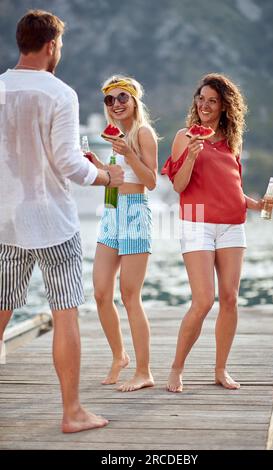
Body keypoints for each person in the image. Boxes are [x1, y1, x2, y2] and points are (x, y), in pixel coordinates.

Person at [0, 10, 124, 432]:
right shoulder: (59, 93)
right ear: (51, 45)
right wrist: (107, 175)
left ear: (22, 42)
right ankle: (72, 412)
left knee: (0, 309)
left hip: (6, 221)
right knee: (65, 314)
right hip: (52, 221)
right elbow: (70, 164)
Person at [161, 73, 273, 392]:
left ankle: (221, 369)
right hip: (196, 222)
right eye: (201, 98)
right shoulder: (185, 136)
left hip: (232, 225)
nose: (205, 105)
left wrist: (260, 204)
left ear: (224, 106)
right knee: (203, 300)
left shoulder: (231, 142)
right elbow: (179, 185)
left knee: (230, 298)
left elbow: (233, 190)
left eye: (212, 100)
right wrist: (192, 155)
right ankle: (176, 368)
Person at [90, 75, 158, 392]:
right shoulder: (116, 135)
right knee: (101, 292)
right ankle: (120, 356)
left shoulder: (143, 133)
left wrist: (129, 153)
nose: (116, 104)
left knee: (130, 296)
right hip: (111, 210)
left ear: (133, 101)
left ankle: (144, 371)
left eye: (122, 98)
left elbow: (150, 180)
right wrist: (98, 165)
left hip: (133, 212)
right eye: (110, 100)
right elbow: (117, 178)